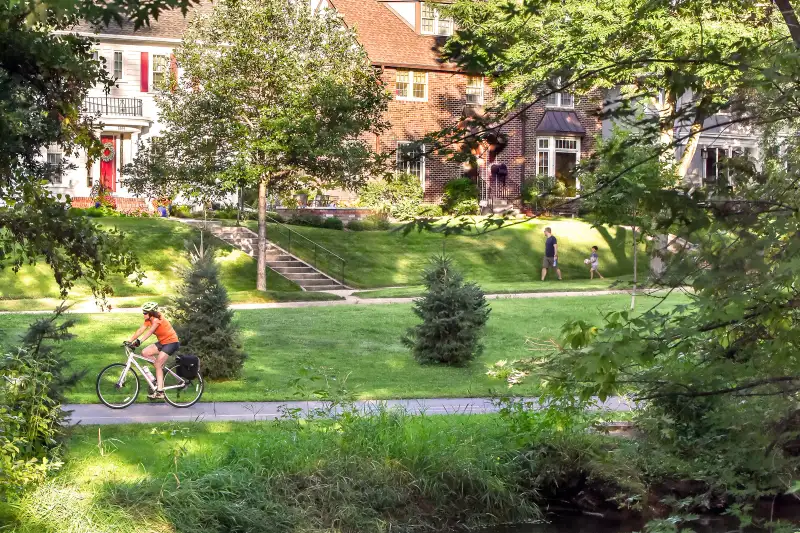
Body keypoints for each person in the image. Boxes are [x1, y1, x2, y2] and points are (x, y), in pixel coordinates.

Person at [127, 302, 180, 400]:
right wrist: (129, 341)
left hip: (171, 342)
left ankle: (160, 392)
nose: (143, 314)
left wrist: (139, 341)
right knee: (145, 352)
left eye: (145, 313)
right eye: (143, 312)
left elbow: (150, 332)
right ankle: (159, 374)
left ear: (151, 312)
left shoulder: (157, 319)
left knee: (158, 365)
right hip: (163, 342)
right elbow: (141, 330)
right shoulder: (148, 319)